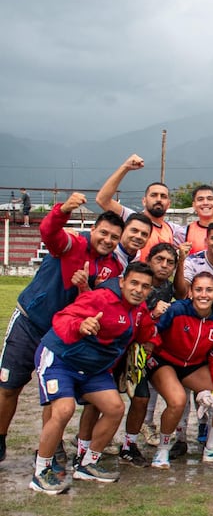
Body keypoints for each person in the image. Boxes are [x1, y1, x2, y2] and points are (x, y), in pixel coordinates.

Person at [0, 194, 124, 466]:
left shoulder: (112, 267)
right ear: (93, 229)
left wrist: (85, 288)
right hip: (31, 322)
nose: (107, 240)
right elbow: (48, 231)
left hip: (63, 336)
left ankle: (50, 448)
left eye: (114, 237)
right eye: (104, 233)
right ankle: (0, 437)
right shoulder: (73, 244)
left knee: (54, 397)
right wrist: (64, 209)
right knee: (10, 386)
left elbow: (98, 304)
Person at [29, 262, 157, 494]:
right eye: (134, 283)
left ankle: (87, 464)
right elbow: (62, 318)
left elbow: (147, 331)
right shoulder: (100, 298)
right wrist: (81, 325)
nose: (139, 290)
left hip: (93, 370)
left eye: (145, 286)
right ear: (122, 282)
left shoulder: (139, 310)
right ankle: (41, 471)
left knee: (115, 408)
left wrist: (150, 344)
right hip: (61, 358)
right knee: (64, 409)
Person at [146, 272, 213, 469]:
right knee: (177, 400)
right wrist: (147, 351)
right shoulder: (177, 309)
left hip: (192, 366)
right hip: (164, 361)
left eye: (208, 290)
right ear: (190, 293)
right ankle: (162, 449)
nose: (203, 295)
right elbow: (154, 333)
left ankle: (212, 447)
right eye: (198, 290)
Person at [118, 243, 179, 468]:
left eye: (170, 262)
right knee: (101, 400)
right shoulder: (133, 283)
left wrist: (151, 340)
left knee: (141, 397)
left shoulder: (169, 289)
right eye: (159, 259)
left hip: (140, 350)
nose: (164, 266)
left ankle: (128, 445)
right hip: (115, 348)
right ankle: (83, 443)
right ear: (149, 259)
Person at [95, 154, 185, 254]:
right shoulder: (131, 218)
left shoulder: (172, 230)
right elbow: (102, 200)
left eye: (163, 196)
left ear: (168, 204)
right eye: (154, 195)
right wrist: (125, 167)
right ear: (144, 201)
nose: (159, 199)